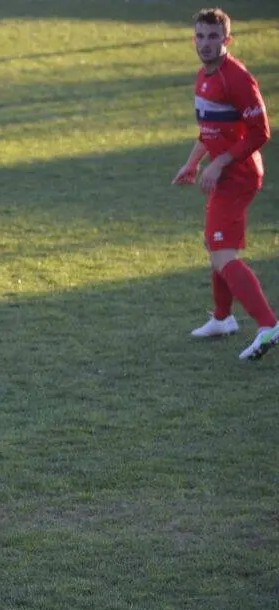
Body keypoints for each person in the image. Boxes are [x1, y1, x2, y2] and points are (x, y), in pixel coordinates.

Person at [172, 8, 276, 360]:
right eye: (200, 36)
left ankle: (268, 324)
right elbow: (210, 129)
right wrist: (193, 161)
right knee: (216, 243)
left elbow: (261, 133)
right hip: (222, 171)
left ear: (226, 40)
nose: (205, 43)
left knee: (222, 251)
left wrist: (220, 162)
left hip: (239, 174)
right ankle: (222, 318)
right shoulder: (203, 76)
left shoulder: (238, 79)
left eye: (213, 37)